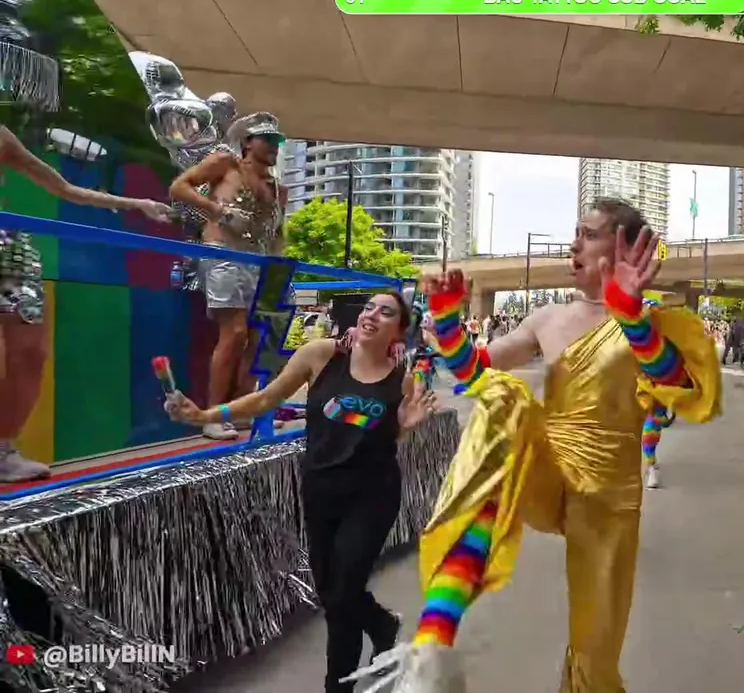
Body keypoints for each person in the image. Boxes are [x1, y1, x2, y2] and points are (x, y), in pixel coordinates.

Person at [381, 198, 718, 691]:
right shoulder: (548, 317)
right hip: (546, 463)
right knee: (504, 403)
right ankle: (435, 638)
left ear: (622, 249)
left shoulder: (651, 320)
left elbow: (679, 385)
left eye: (589, 234)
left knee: (595, 652)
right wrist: (448, 321)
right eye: (575, 233)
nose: (573, 244)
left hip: (610, 494)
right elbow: (475, 372)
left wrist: (632, 319)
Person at [165, 291, 436, 692]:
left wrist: (407, 427)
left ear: (398, 330)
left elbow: (390, 438)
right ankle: (381, 624)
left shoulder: (402, 380)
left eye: (386, 312)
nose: (372, 315)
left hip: (372, 495)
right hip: (320, 490)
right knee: (331, 591)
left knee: (342, 595)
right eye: (369, 308)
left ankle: (337, 687)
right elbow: (266, 398)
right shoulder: (321, 355)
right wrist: (206, 414)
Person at [0, 126, 172, 482]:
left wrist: (136, 204)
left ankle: (2, 450)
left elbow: (64, 189)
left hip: (8, 248)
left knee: (31, 354)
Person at [170, 112, 288, 441]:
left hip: (262, 263)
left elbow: (278, 234)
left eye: (277, 141)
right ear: (248, 142)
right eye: (267, 139)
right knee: (234, 333)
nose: (274, 146)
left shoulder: (278, 188)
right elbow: (179, 187)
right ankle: (212, 415)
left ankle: (240, 410)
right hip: (224, 253)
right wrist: (218, 211)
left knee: (259, 338)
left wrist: (280, 265)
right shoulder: (225, 163)